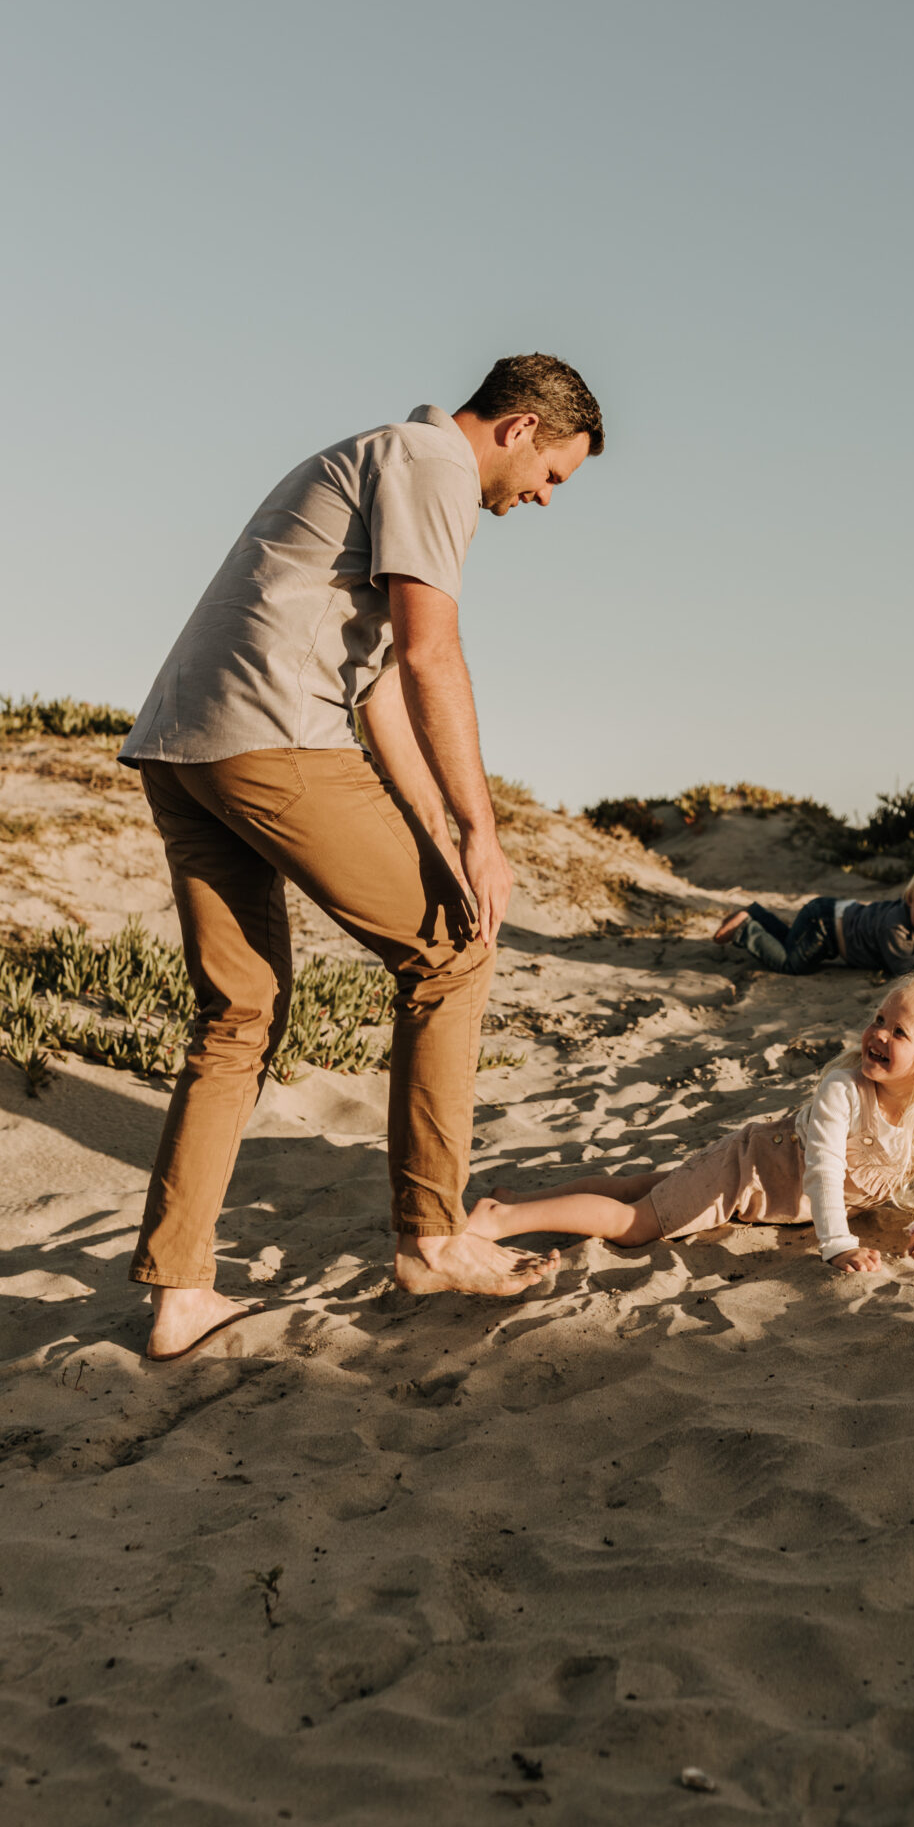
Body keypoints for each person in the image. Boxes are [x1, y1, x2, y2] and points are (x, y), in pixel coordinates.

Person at [117, 352, 604, 1361]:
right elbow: (431, 653)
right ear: (517, 427)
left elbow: (377, 688)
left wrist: (440, 827)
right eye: (554, 473)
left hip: (181, 742)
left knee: (240, 1011)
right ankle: (431, 1237)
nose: (545, 498)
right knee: (453, 956)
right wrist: (485, 829)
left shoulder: (377, 458)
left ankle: (179, 1293)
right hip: (269, 739)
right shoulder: (434, 463)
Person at [467, 972, 914, 1275]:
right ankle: (498, 1220)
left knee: (638, 1186)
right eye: (878, 1019)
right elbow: (825, 1177)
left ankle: (520, 1202)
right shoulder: (845, 1090)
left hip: (763, 1201)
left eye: (898, 1031)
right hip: (746, 1173)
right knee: (637, 1224)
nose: (876, 1034)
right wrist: (838, 1244)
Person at [712, 855, 914, 979]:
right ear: (910, 898)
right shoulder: (894, 926)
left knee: (788, 941)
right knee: (792, 963)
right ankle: (746, 929)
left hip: (831, 912)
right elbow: (903, 968)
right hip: (826, 928)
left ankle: (755, 914)